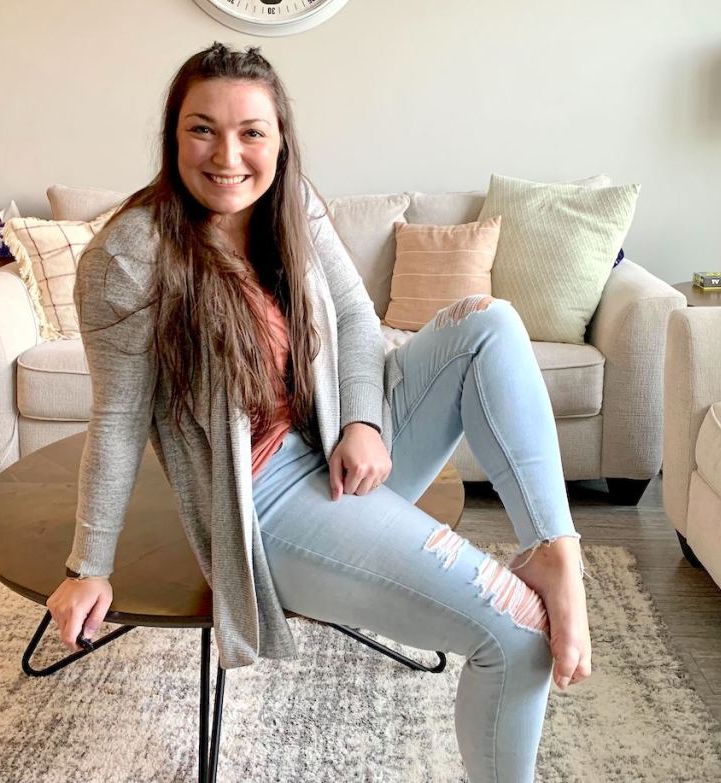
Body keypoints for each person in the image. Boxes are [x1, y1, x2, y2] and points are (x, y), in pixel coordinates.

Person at [46, 42, 591, 782]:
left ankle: (553, 548)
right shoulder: (129, 256)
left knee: (488, 323)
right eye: (201, 129)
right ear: (173, 138)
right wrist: (89, 565)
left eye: (251, 132)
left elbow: (358, 321)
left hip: (341, 437)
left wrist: (363, 421)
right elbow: (116, 418)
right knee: (520, 632)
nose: (227, 154)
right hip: (268, 493)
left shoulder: (293, 203)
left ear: (280, 139)